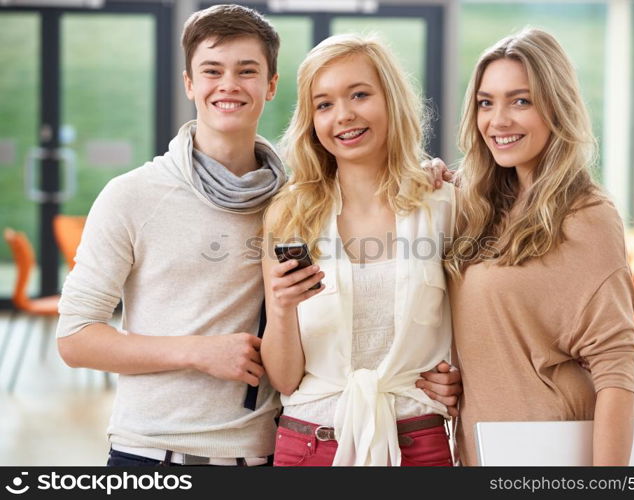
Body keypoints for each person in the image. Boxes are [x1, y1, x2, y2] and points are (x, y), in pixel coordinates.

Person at [56, 4, 459, 467]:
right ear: (189, 83)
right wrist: (197, 352)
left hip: (266, 451)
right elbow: (74, 337)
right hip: (154, 454)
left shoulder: (290, 202)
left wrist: (426, 173)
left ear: (271, 87)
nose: (228, 85)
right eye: (211, 71)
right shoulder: (132, 196)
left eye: (246, 71)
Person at [261, 34, 457, 467]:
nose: (344, 115)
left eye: (360, 95)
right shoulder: (290, 216)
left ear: (390, 99)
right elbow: (285, 378)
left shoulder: (445, 207)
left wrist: (461, 378)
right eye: (324, 104)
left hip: (417, 444)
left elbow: (476, 326)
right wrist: (280, 308)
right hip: (308, 445)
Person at [446, 28, 634, 466]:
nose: (499, 120)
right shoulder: (480, 207)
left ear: (556, 106)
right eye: (486, 102)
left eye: (521, 101)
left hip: (550, 451)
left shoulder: (587, 215)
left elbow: (616, 370)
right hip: (482, 447)